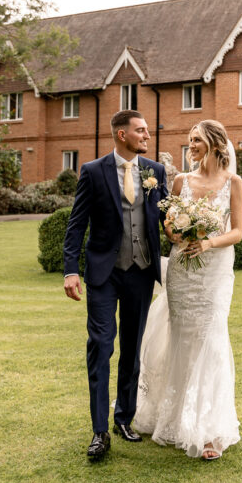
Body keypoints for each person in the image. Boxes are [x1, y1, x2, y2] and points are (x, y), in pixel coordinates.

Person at [132, 119, 242, 461]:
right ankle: (177, 417)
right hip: (182, 269)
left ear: (213, 143)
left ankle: (209, 430)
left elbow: (237, 231)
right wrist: (177, 234)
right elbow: (168, 222)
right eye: (190, 140)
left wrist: (207, 243)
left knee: (211, 339)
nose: (191, 144)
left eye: (196, 140)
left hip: (214, 272)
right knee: (181, 337)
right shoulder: (181, 180)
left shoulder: (233, 182)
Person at [62, 109, 169, 462]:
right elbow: (77, 224)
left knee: (132, 348)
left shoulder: (155, 172)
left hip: (140, 271)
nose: (147, 136)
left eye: (147, 131)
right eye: (141, 131)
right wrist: (70, 270)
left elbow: (168, 218)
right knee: (101, 346)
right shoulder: (93, 172)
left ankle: (124, 417)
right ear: (122, 135)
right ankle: (99, 432)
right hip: (104, 274)